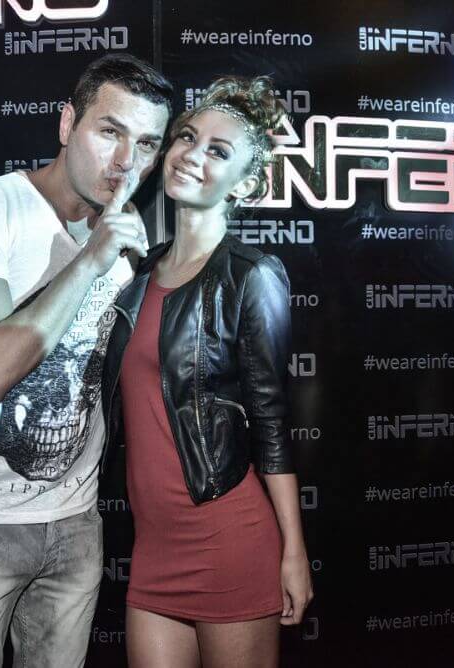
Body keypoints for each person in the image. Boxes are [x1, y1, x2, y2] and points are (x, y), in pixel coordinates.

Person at [0, 54, 172, 667]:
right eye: (109, 131)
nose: (126, 162)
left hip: (75, 522)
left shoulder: (130, 238)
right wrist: (90, 260)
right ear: (66, 124)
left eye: (146, 144)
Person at [101, 75, 313, 668]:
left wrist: (293, 551)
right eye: (187, 137)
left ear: (244, 183)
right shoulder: (136, 275)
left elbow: (271, 424)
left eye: (218, 151)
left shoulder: (252, 275)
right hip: (153, 546)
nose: (192, 154)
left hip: (228, 537)